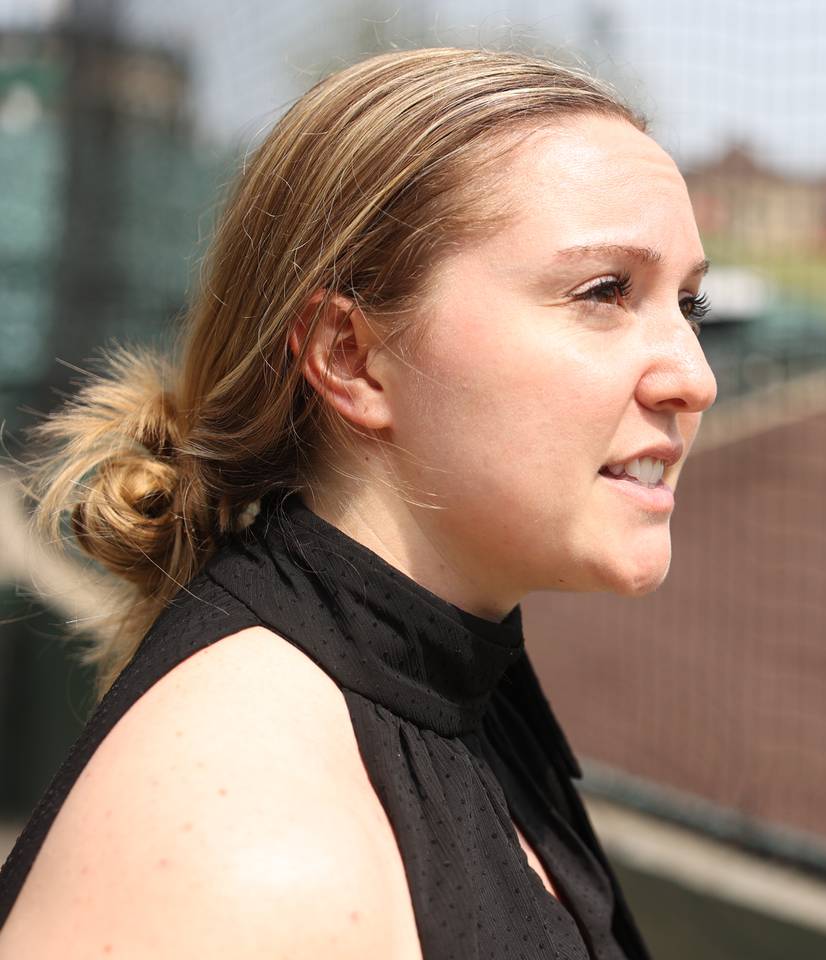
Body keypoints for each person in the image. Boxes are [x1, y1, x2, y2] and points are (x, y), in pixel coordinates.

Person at [0, 46, 716, 959]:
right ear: (351, 356)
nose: (694, 377)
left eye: (688, 304)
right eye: (604, 292)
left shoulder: (454, 692)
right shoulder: (251, 853)